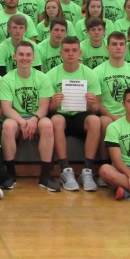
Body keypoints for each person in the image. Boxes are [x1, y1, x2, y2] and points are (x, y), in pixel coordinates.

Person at [47, 36, 103, 192]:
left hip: (81, 115)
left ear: (80, 52)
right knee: (56, 119)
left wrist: (92, 103)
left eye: (74, 50)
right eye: (66, 50)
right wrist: (54, 103)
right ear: (61, 53)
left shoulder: (90, 74)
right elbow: (49, 110)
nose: (70, 54)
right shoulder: (52, 75)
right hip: (62, 116)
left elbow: (96, 109)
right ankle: (65, 170)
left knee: (95, 121)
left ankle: (87, 170)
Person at [0, 41, 55, 190]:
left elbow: (44, 106)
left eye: (28, 55)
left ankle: (45, 175)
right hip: (16, 118)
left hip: (36, 117)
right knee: (8, 125)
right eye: (21, 54)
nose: (25, 58)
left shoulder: (43, 78)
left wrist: (34, 120)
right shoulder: (7, 79)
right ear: (14, 56)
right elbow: (7, 109)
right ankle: (10, 173)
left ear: (34, 57)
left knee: (48, 125)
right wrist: (23, 123)